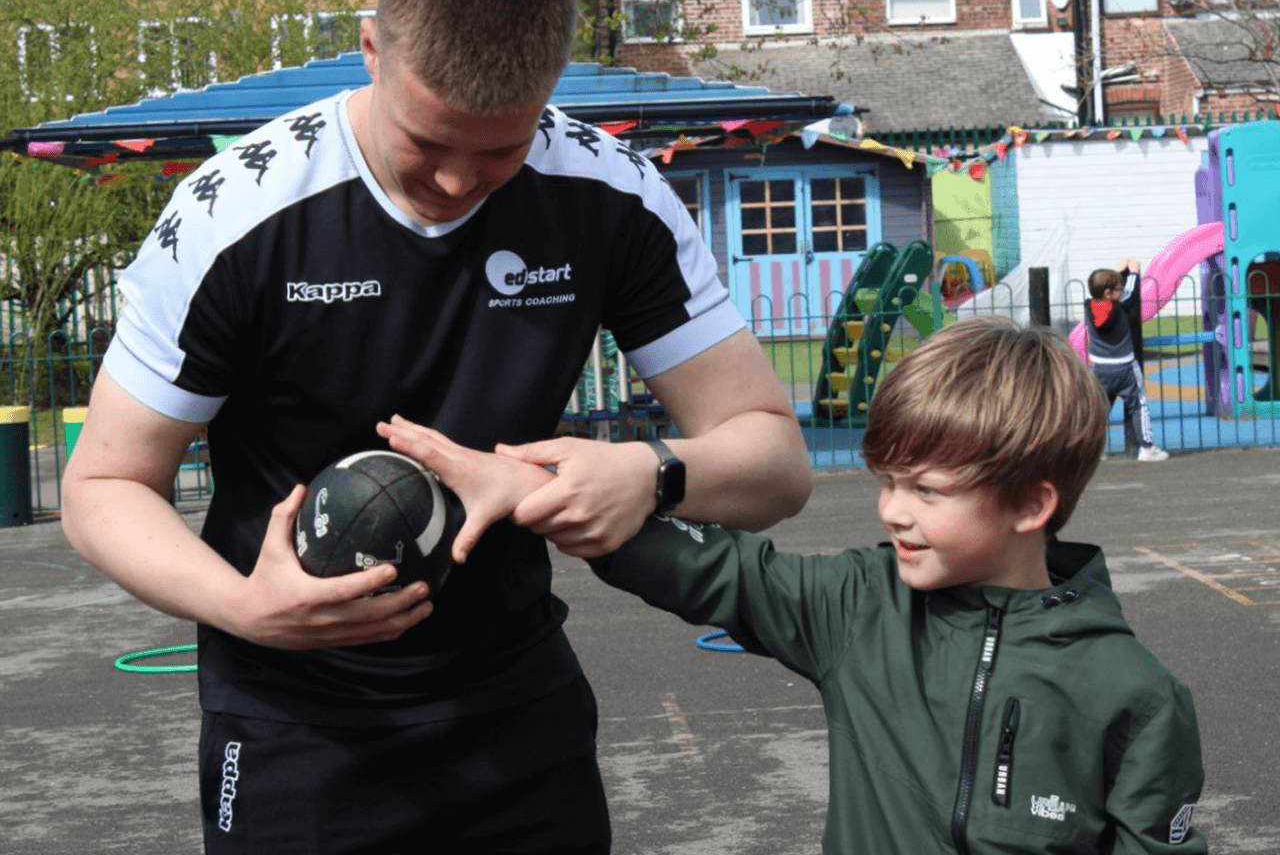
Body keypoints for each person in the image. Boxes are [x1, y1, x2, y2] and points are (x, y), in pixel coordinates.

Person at [60, 0, 811, 853]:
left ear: (551, 87)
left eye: (500, 151)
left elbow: (775, 462)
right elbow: (101, 484)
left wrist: (650, 472)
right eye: (426, 141)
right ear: (371, 48)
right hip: (295, 721)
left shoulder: (614, 195)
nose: (457, 183)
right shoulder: (232, 215)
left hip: (515, 710)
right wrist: (243, 605)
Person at [385, 315, 1207, 855]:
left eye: (927, 491)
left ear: (1032, 504)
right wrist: (540, 488)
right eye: (888, 482)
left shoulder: (1137, 697)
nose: (893, 511)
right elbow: (714, 570)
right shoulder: (861, 606)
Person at [1086, 258, 1170, 462]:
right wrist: (1133, 272)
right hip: (1125, 367)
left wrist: (1114, 273)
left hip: (1100, 368)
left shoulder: (1089, 306)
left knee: (1099, 410)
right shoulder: (1119, 306)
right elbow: (1131, 293)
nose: (1121, 290)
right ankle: (1147, 448)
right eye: (1118, 288)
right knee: (1139, 405)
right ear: (1109, 294)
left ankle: (1091, 451)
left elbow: (1102, 292)